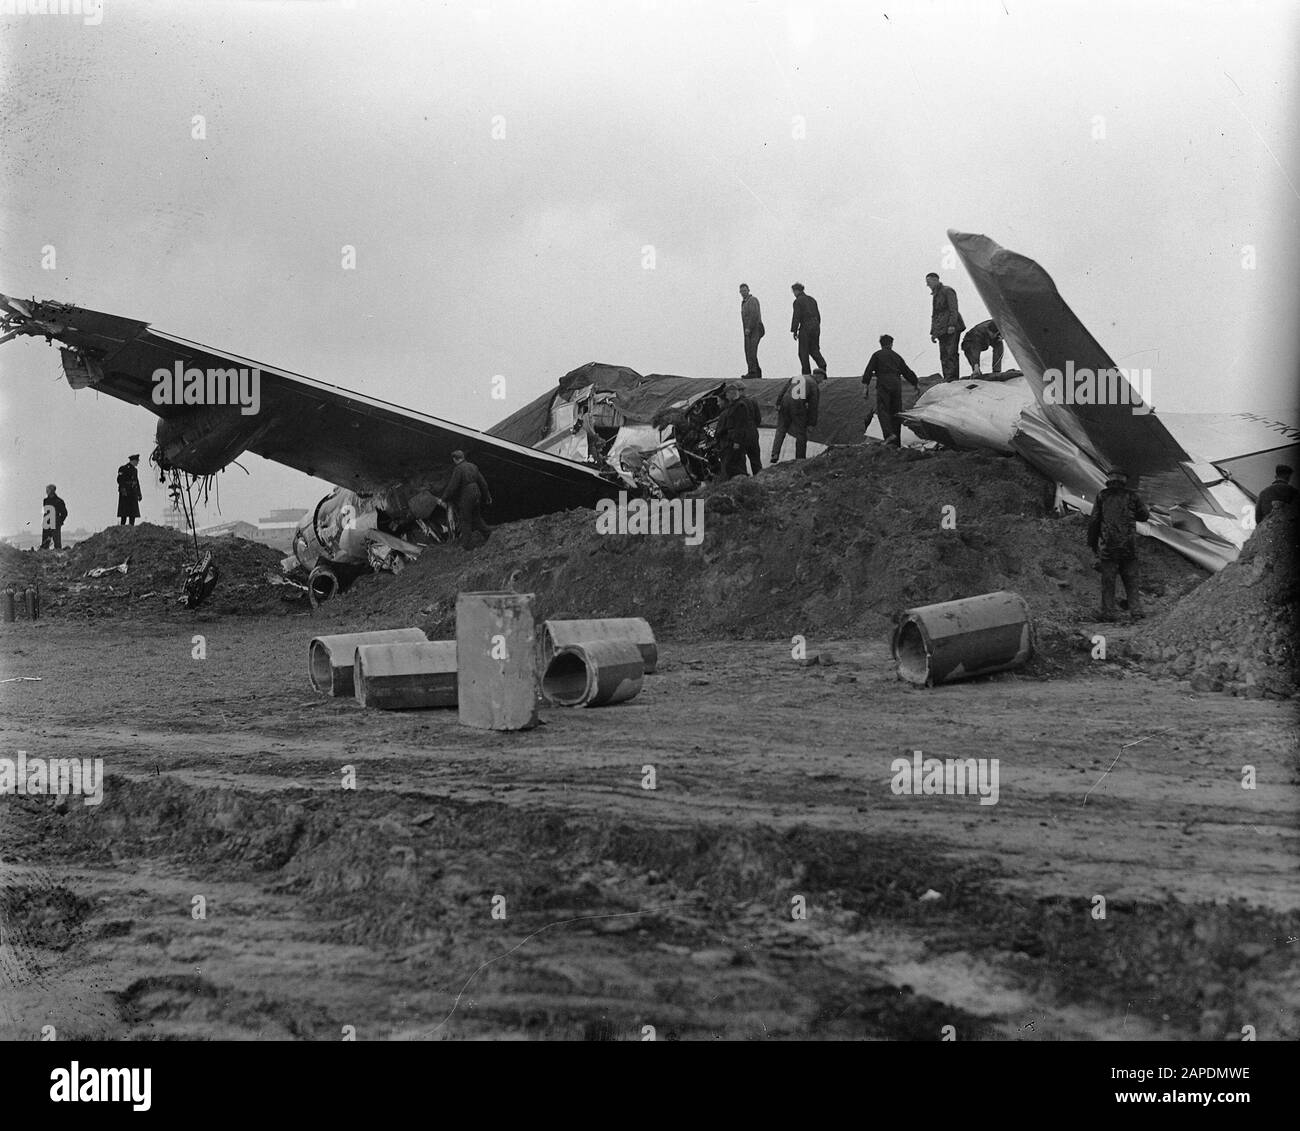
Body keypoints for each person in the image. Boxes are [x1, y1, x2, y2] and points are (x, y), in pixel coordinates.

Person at [1087, 467, 1150, 621]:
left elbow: (1094, 521)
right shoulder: (1132, 496)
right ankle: (1136, 611)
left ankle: (1109, 613)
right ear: (1124, 481)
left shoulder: (1102, 496)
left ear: (1109, 480)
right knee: (1131, 580)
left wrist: (1092, 544)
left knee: (1108, 582)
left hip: (1108, 547)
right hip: (1129, 546)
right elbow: (1144, 516)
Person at [861, 334, 919, 446]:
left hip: (883, 382)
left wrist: (865, 387)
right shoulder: (896, 356)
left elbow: (868, 370)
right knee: (896, 412)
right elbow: (906, 371)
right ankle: (896, 443)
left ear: (881, 344)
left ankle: (888, 435)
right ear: (891, 344)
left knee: (883, 410)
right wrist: (915, 383)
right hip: (896, 384)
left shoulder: (877, 355)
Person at [441, 449, 494, 548]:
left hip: (467, 494)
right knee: (476, 517)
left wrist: (444, 498)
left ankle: (467, 544)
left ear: (455, 459)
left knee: (465, 519)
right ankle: (488, 533)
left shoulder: (458, 469)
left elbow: (453, 486)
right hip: (476, 492)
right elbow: (483, 483)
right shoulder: (473, 466)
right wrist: (487, 496)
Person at [771, 371, 820, 462]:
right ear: (818, 376)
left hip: (784, 404)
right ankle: (800, 458)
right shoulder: (813, 384)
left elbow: (784, 390)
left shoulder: (796, 377)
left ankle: (775, 453)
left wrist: (778, 403)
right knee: (801, 432)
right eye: (821, 379)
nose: (821, 382)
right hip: (798, 406)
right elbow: (813, 406)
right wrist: (811, 423)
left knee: (781, 429)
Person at [926, 272, 965, 382]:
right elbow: (935, 314)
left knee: (951, 352)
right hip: (941, 330)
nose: (928, 285)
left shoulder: (947, 291)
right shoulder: (936, 295)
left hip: (951, 327)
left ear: (935, 280)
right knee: (943, 354)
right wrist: (933, 332)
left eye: (929, 282)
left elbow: (954, 308)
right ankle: (947, 378)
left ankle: (952, 378)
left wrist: (952, 324)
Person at [713, 384, 753, 480]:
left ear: (731, 394)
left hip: (735, 442)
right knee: (732, 466)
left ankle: (741, 482)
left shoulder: (740, 406)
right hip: (732, 441)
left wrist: (737, 441)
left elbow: (739, 425)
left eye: (727, 394)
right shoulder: (734, 406)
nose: (726, 397)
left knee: (735, 466)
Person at [789, 283, 827, 376]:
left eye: (793, 291)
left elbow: (796, 316)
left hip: (806, 327)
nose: (793, 293)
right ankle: (822, 366)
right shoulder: (812, 300)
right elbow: (818, 316)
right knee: (814, 349)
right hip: (816, 326)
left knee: (803, 351)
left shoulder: (798, 301)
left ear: (796, 291)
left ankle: (806, 373)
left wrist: (794, 330)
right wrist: (817, 327)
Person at [739, 284, 764, 379]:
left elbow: (754, 314)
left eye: (744, 290)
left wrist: (749, 328)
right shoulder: (744, 303)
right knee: (748, 350)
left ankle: (753, 372)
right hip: (748, 330)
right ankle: (756, 371)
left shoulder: (752, 300)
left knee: (751, 350)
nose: (743, 293)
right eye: (741, 291)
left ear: (748, 290)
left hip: (755, 328)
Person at [738, 386, 763, 474]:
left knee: (741, 461)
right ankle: (759, 480)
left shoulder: (736, 404)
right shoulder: (753, 401)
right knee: (756, 460)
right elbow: (758, 419)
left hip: (742, 435)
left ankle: (744, 481)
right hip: (753, 432)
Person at [117, 454, 142, 526]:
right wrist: (123, 489)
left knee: (133, 513)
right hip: (125, 493)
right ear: (133, 461)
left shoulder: (135, 470)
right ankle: (122, 527)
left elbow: (137, 482)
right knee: (124, 513)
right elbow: (119, 480)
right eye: (137, 461)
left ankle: (131, 527)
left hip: (133, 493)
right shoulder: (123, 468)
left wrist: (139, 494)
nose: (137, 463)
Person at [40, 484, 67, 549]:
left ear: (52, 491)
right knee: (45, 544)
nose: (46, 491)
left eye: (48, 490)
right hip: (46, 523)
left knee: (57, 544)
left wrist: (60, 521)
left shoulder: (59, 501)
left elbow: (64, 513)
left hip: (55, 523)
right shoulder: (45, 500)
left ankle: (58, 557)